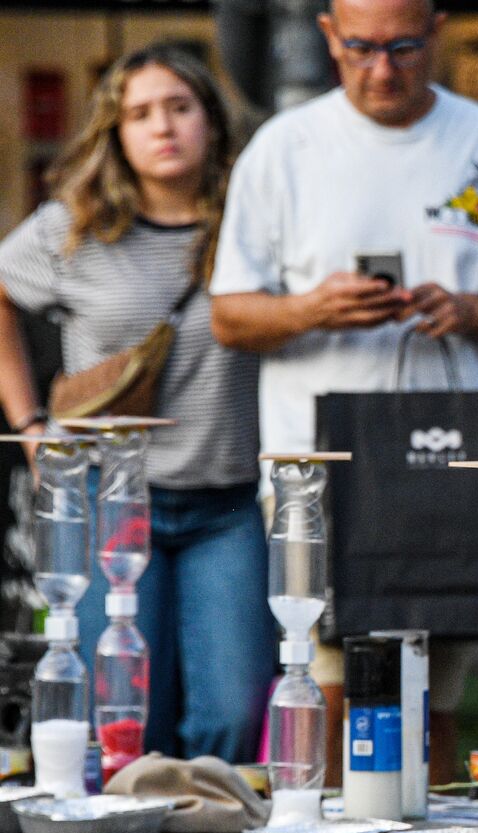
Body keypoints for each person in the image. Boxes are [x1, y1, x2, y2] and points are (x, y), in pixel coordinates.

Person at [209, 0, 478, 783]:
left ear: (438, 29)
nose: (382, 69)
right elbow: (230, 315)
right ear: (328, 35)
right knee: (334, 681)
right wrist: (314, 309)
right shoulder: (285, 147)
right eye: (361, 48)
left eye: (403, 46)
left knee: (434, 692)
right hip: (320, 469)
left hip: (451, 462)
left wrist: (468, 310)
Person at [0, 46, 275, 762]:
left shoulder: (253, 227)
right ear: (114, 132)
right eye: (139, 113)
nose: (163, 127)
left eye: (180, 108)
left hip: (226, 501)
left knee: (234, 714)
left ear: (211, 121)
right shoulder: (76, 227)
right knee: (122, 720)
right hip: (108, 499)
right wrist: (30, 424)